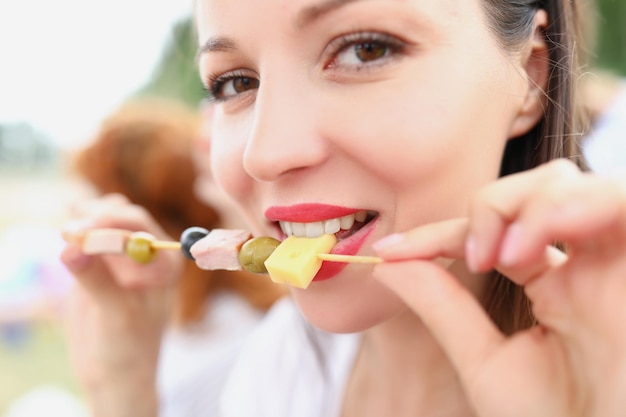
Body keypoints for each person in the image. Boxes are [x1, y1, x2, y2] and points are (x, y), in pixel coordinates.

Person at [60, 1, 626, 416]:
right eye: (235, 83)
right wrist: (124, 394)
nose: (266, 153)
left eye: (365, 49)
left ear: (529, 77)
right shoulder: (283, 366)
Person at [64, 97, 285, 417]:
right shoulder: (153, 330)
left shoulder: (217, 354)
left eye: (96, 197)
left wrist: (122, 392)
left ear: (149, 217)